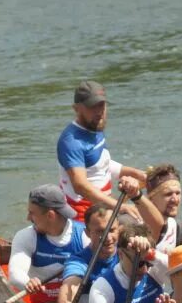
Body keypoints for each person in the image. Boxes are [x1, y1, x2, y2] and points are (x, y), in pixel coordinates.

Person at [56, 80, 146, 221]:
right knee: (139, 224)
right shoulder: (71, 141)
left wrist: (137, 174)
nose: (99, 112)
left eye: (102, 105)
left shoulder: (94, 126)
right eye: (93, 107)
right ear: (76, 108)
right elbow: (80, 186)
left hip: (104, 209)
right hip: (84, 218)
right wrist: (119, 207)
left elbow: (100, 164)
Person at [8, 183, 88, 303]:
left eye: (32, 213)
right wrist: (28, 282)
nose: (28, 218)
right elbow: (15, 274)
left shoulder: (84, 236)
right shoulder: (27, 236)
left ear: (50, 215)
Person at [55, 202, 122, 303]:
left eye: (111, 230)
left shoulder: (128, 254)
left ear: (119, 229)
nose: (108, 238)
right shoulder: (79, 261)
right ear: (87, 232)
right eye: (100, 231)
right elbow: (70, 285)